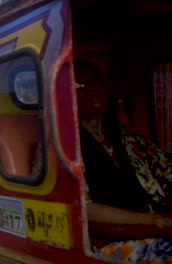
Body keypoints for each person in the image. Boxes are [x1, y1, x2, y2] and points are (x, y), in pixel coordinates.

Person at [74, 60, 172, 262]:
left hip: (153, 230)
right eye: (78, 86)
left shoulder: (129, 138)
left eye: (94, 82)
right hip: (103, 245)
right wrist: (158, 222)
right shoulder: (62, 145)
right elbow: (83, 209)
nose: (90, 90)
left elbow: (167, 170)